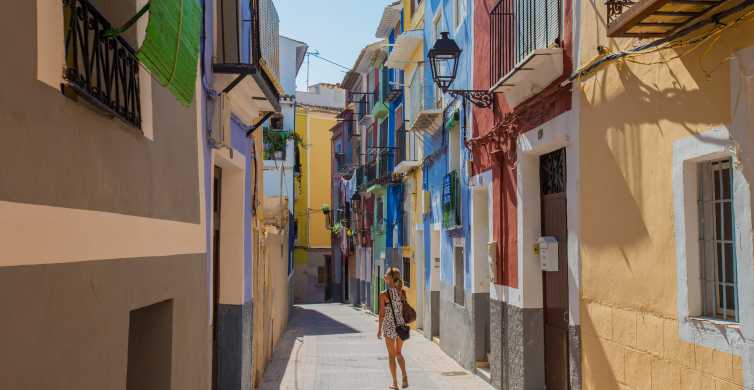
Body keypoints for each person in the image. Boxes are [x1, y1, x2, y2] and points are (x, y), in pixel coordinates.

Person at [377, 267, 409, 389]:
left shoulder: (383, 294)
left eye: (386, 274)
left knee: (391, 355)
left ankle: (395, 383)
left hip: (390, 325)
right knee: (399, 353)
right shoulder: (402, 292)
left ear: (390, 278)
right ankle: (404, 375)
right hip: (401, 325)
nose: (384, 276)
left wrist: (379, 329)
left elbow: (381, 313)